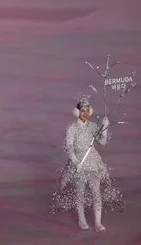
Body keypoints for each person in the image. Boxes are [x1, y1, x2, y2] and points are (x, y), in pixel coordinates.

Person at [51, 99, 124, 232]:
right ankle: (82, 220)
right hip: (78, 163)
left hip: (93, 163)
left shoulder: (92, 127)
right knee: (80, 193)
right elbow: (69, 148)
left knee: (96, 193)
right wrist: (76, 162)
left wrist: (105, 128)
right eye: (82, 111)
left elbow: (102, 142)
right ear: (77, 112)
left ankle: (98, 223)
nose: (85, 113)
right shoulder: (72, 128)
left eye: (87, 111)